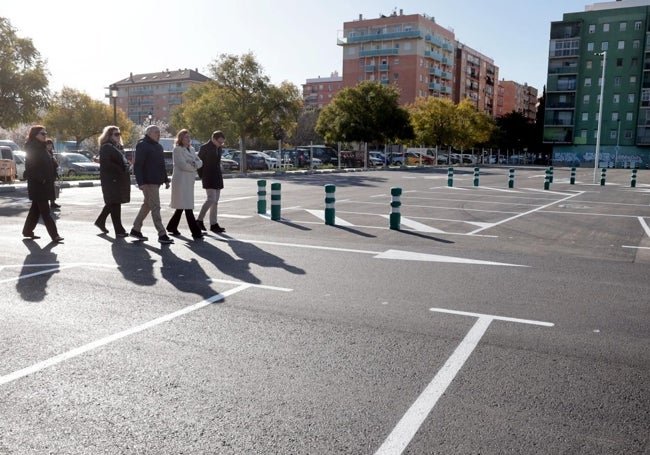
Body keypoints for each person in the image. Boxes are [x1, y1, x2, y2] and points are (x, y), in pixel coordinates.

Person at [129, 125, 174, 244]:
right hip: (148, 182)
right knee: (155, 207)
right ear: (148, 133)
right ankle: (162, 234)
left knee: (147, 205)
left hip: (157, 181)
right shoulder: (142, 145)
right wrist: (141, 182)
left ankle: (135, 229)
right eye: (156, 132)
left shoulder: (158, 146)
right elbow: (138, 165)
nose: (159, 134)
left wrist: (165, 179)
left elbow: (161, 165)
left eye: (159, 132)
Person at [21, 125, 63, 242]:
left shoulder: (42, 147)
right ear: (35, 135)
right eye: (42, 134)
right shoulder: (31, 148)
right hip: (38, 185)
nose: (45, 136)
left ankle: (27, 231)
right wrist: (42, 179)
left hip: (45, 184)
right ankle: (54, 235)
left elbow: (46, 164)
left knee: (35, 209)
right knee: (45, 211)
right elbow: (30, 168)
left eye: (46, 133)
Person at [166, 129, 204, 239]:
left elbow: (200, 162)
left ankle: (171, 226)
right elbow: (182, 164)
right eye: (185, 137)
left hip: (189, 180)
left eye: (189, 137)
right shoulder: (177, 150)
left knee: (182, 206)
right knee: (187, 206)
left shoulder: (192, 149)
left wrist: (193, 164)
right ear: (180, 139)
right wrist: (194, 166)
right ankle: (196, 231)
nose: (188, 139)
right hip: (181, 181)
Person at [94, 125, 131, 237]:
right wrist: (121, 169)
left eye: (119, 134)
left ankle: (100, 221)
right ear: (109, 136)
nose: (118, 136)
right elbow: (106, 164)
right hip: (111, 180)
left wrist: (126, 166)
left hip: (117, 179)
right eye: (116, 134)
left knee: (113, 203)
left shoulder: (116, 147)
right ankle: (119, 230)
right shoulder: (106, 147)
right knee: (114, 203)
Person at [197, 130, 226, 233]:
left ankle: (213, 224)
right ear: (213, 139)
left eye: (222, 142)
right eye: (219, 142)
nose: (221, 144)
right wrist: (202, 176)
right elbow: (199, 163)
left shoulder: (219, 148)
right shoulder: (204, 148)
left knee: (215, 202)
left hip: (217, 177)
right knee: (211, 199)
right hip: (208, 177)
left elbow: (217, 163)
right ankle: (199, 220)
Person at [45, 139, 60, 209]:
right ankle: (47, 203)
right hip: (47, 174)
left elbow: (55, 164)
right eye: (48, 145)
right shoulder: (44, 153)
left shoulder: (51, 153)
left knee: (52, 189)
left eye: (51, 145)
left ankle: (52, 202)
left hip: (52, 173)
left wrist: (55, 161)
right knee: (47, 189)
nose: (50, 146)